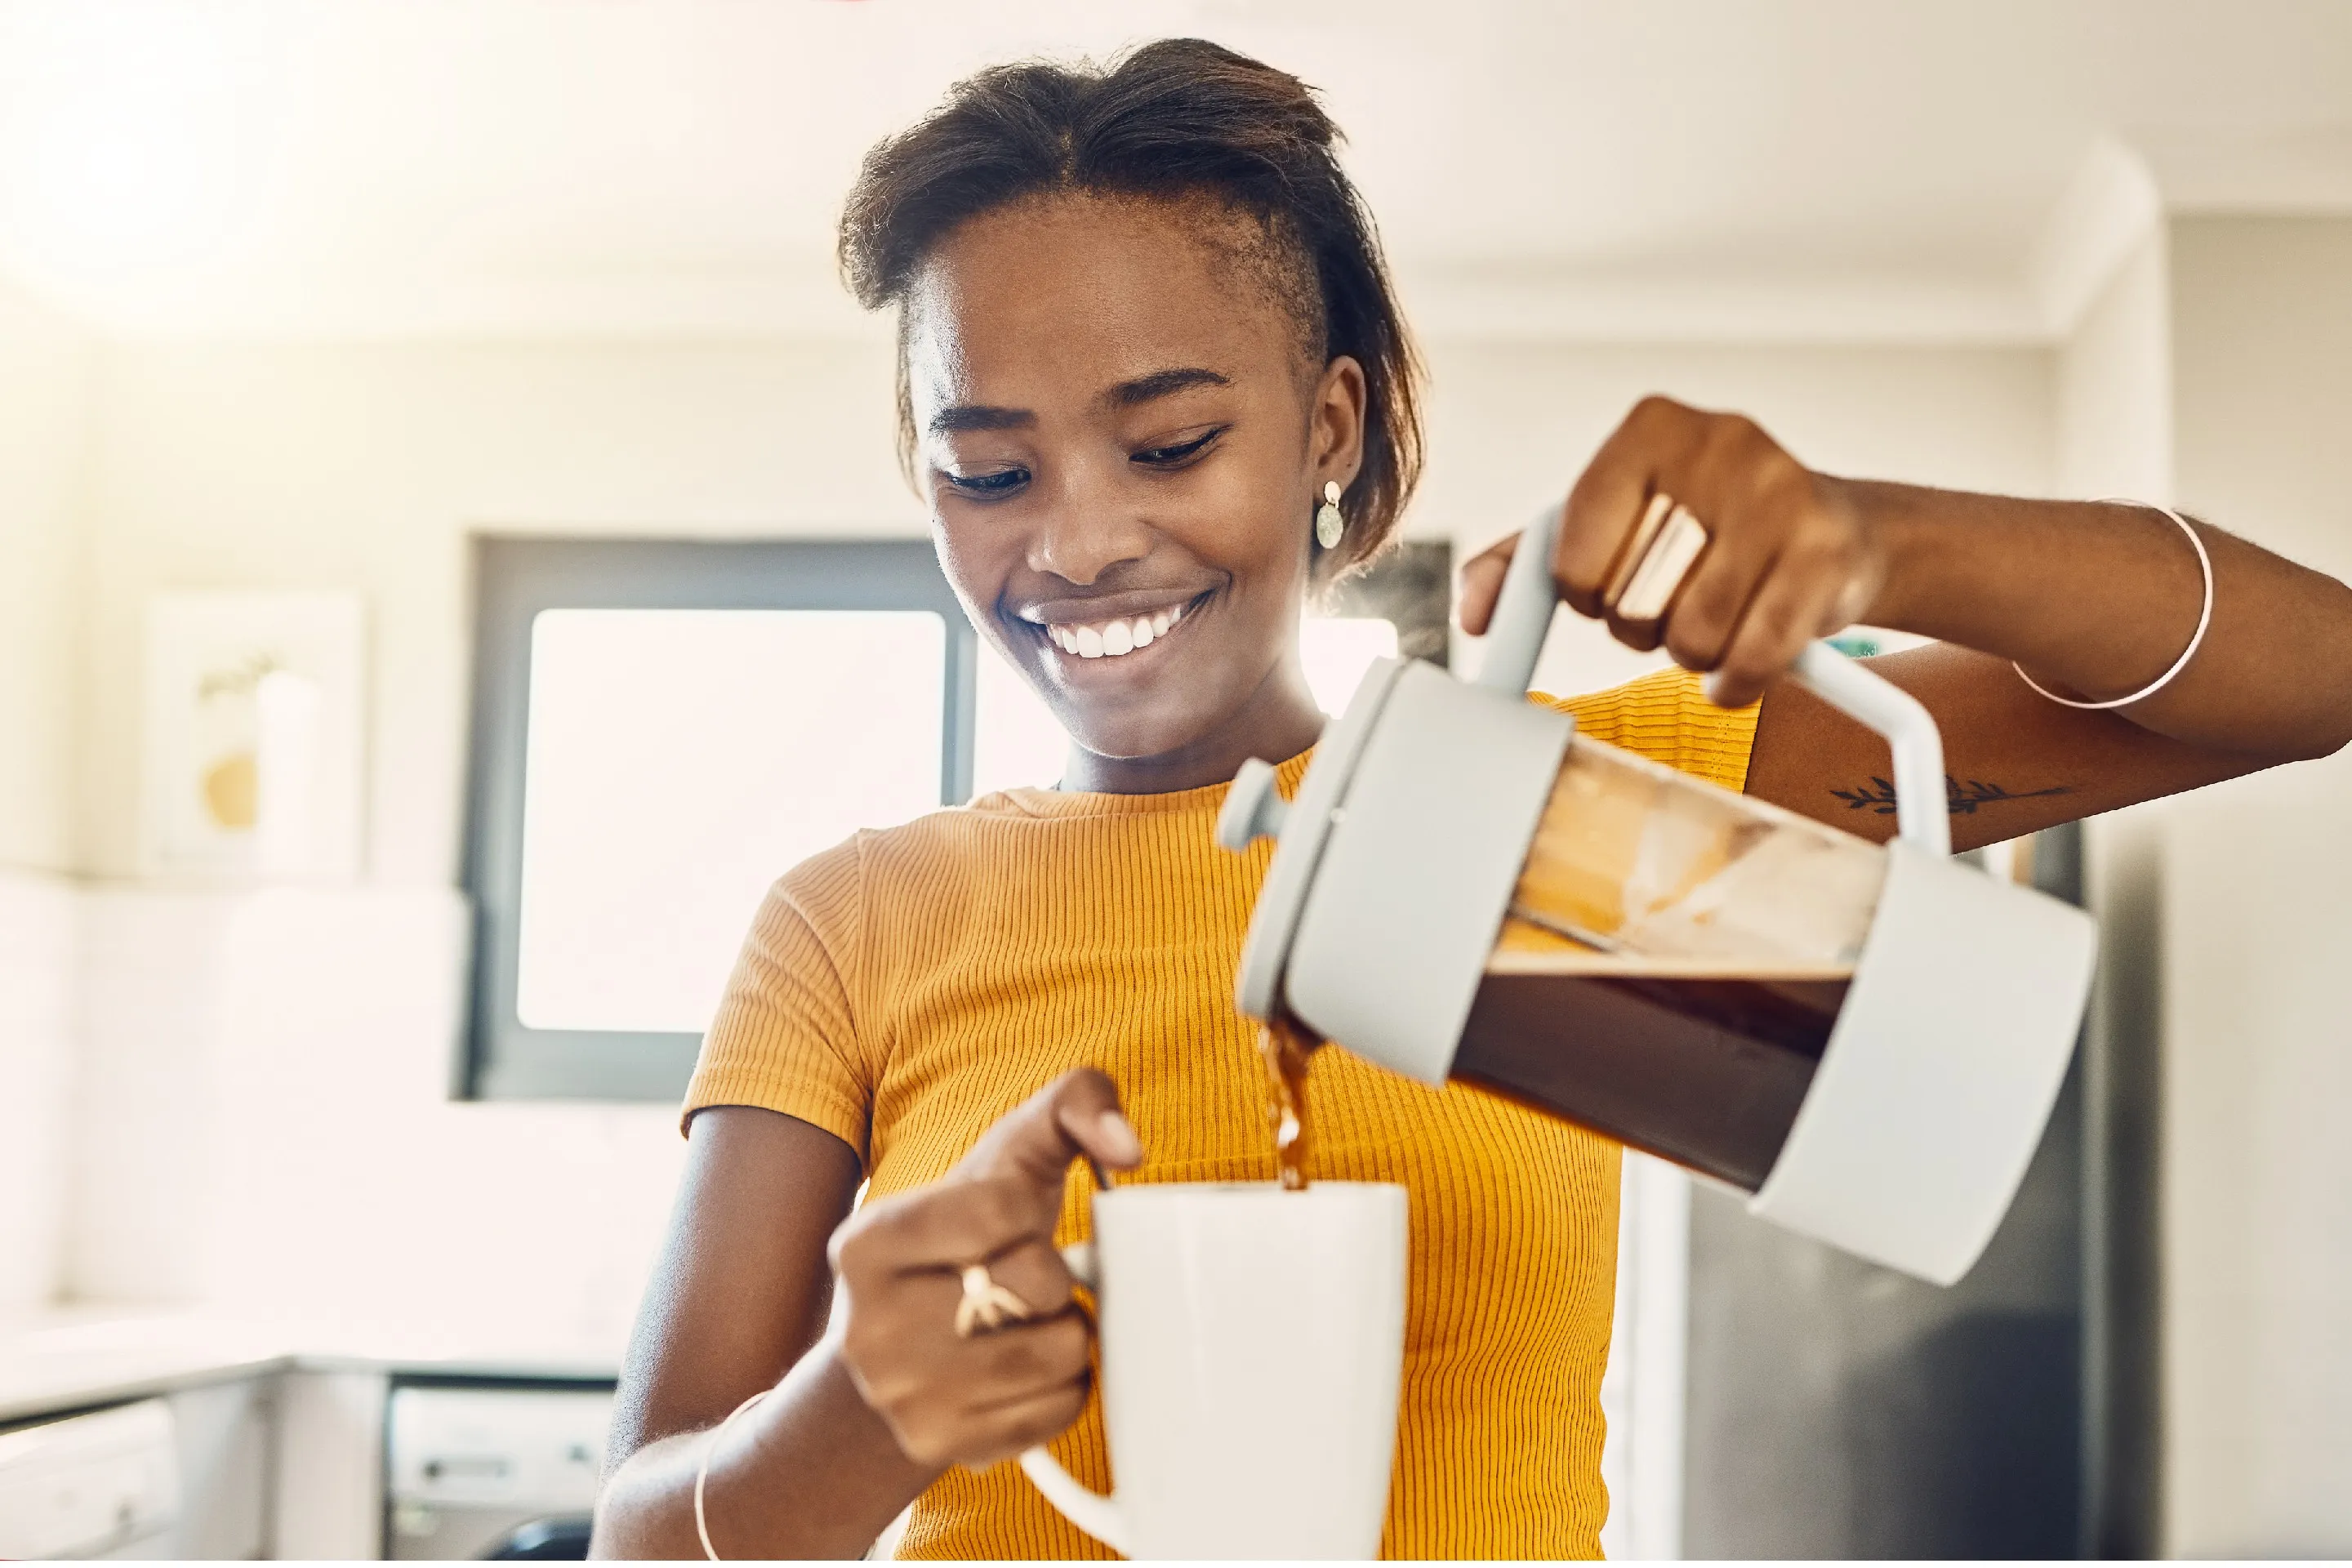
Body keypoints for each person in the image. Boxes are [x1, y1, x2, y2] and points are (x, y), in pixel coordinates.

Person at [590, 38, 2352, 1561]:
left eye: (1172, 443)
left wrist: (1885, 537)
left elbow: (2315, 672)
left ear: (1331, 426)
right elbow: (635, 1545)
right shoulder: (856, 923)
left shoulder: (1578, 812)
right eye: (988, 468)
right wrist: (858, 1414)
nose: (1077, 539)